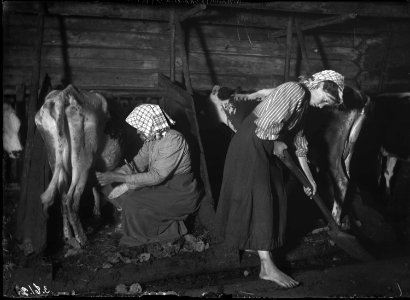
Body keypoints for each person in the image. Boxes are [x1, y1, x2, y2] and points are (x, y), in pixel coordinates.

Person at [215, 70, 344, 289]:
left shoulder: (304, 104)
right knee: (261, 198)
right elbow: (266, 124)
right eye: (327, 100)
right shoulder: (294, 90)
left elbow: (299, 143)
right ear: (320, 86)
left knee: (273, 194)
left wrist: (309, 179)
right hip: (253, 142)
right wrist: (275, 144)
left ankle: (252, 242)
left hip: (265, 143)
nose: (324, 106)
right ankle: (267, 266)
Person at [96, 104, 201, 247]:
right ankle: (130, 222)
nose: (138, 131)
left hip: (180, 191)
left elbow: (157, 176)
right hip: (162, 187)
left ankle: (165, 232)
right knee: (112, 189)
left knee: (132, 201)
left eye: (141, 126)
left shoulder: (173, 140)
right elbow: (136, 164)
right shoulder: (151, 140)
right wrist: (112, 175)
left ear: (152, 123)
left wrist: (117, 178)